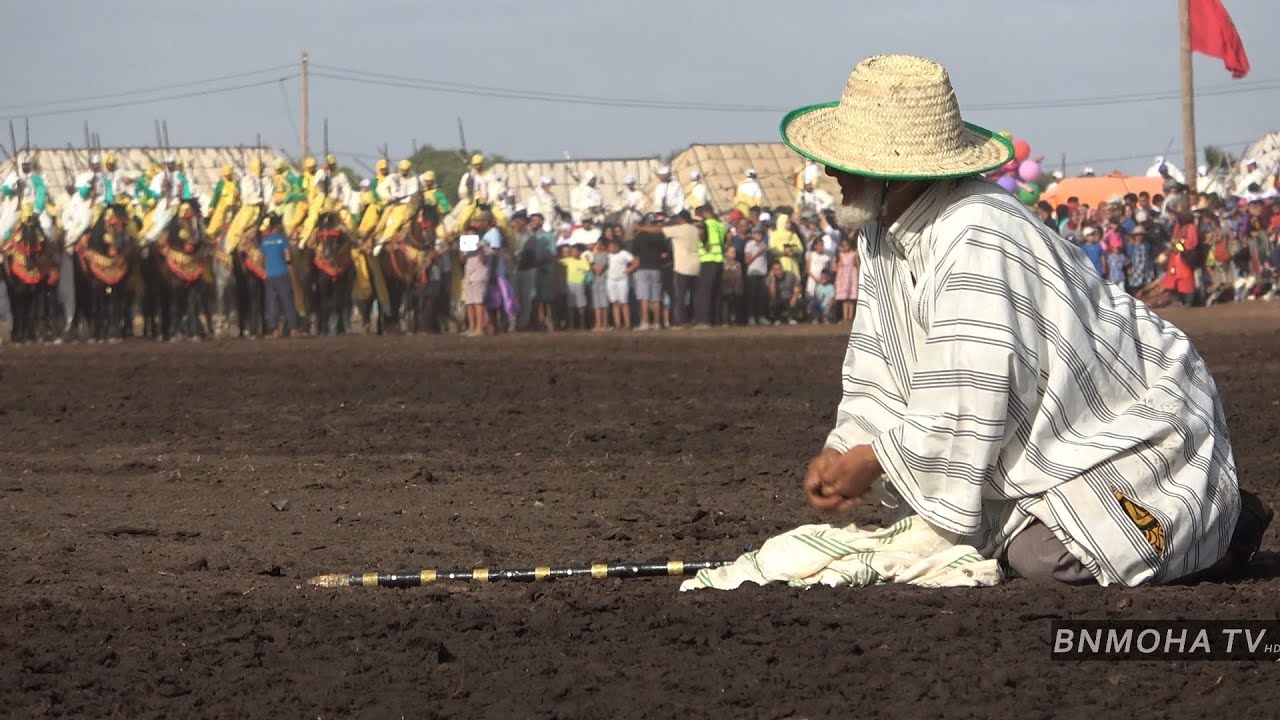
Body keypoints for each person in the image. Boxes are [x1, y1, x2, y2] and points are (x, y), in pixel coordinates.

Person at [785, 53, 1266, 587]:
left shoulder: (978, 232)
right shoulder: (880, 235)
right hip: (1034, 437)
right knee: (981, 539)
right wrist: (845, 446)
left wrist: (875, 457)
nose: (832, 172)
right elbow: (876, 362)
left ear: (893, 175)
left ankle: (1222, 523)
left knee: (1046, 559)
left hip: (1124, 426)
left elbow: (972, 386)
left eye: (846, 162)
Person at [259, 214, 300, 338]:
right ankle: (293, 329)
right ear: (277, 226)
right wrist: (289, 262)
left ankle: (275, 330)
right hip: (282, 274)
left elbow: (261, 260)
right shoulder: (282, 240)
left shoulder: (264, 241)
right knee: (288, 301)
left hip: (270, 276)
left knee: (272, 303)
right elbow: (288, 256)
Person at [662, 210, 702, 328]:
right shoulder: (695, 230)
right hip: (696, 266)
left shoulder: (679, 229)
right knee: (694, 296)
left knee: (679, 296)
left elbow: (660, 230)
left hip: (682, 267)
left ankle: (681, 321)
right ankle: (695, 318)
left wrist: (641, 228)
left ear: (681, 219)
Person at [605, 235, 635, 330]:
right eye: (610, 246)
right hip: (611, 280)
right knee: (614, 302)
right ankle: (617, 324)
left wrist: (628, 270)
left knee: (624, 302)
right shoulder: (608, 255)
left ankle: (627, 324)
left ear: (617, 246)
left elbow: (635, 262)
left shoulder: (624, 253)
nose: (611, 248)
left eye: (612, 246)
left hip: (622, 280)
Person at [833, 235, 859, 322]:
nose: (845, 247)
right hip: (844, 277)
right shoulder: (841, 255)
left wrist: (859, 274)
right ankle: (845, 317)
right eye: (843, 246)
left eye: (846, 245)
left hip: (852, 276)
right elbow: (837, 265)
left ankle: (851, 317)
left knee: (851, 298)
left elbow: (857, 264)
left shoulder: (854, 253)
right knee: (845, 298)